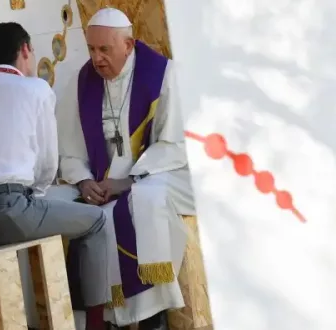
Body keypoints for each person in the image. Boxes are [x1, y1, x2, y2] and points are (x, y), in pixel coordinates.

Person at [0, 22, 119, 330]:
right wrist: (38, 190)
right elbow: (47, 163)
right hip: (11, 210)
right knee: (95, 221)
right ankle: (95, 324)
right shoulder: (37, 88)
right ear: (26, 50)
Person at [52, 7, 195, 330]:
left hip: (154, 173)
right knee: (56, 202)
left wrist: (128, 180)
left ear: (128, 45)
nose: (97, 58)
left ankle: (153, 317)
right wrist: (85, 181)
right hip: (100, 184)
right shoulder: (82, 82)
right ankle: (100, 318)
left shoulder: (162, 75)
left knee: (145, 201)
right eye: (91, 49)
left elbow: (173, 144)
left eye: (105, 49)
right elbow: (70, 149)